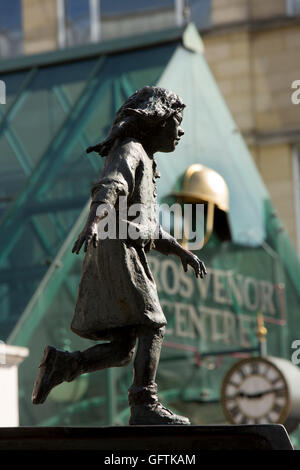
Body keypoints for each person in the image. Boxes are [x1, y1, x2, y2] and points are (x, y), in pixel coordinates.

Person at [32, 86, 207, 425]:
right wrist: (94, 223)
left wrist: (182, 251)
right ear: (156, 121)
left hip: (123, 246)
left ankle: (64, 365)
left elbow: (150, 227)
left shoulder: (147, 160)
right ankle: (144, 404)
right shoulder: (130, 150)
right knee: (153, 324)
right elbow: (109, 187)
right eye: (177, 122)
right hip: (116, 248)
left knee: (125, 348)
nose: (181, 131)